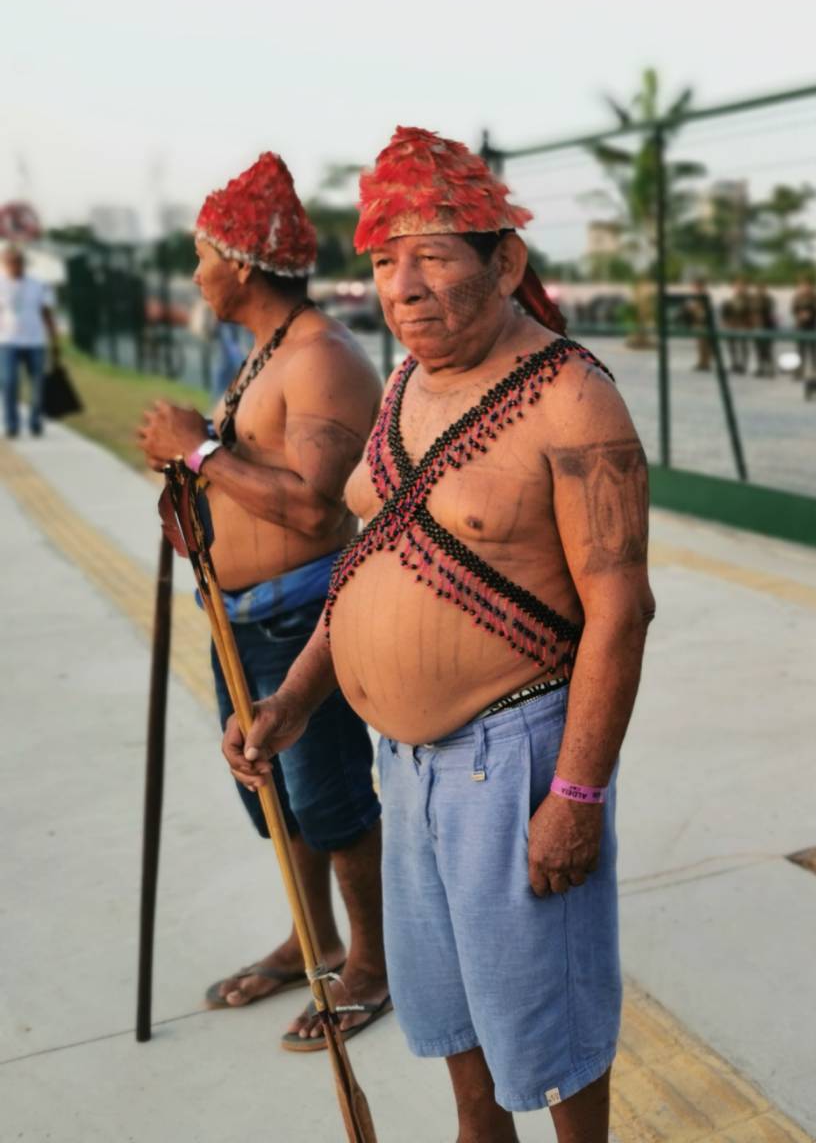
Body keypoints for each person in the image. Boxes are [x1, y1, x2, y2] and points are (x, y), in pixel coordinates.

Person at [225, 127, 653, 1143]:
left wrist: (576, 797)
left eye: (432, 256)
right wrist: (294, 698)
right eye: (382, 261)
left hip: (513, 764)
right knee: (449, 1010)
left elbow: (620, 611)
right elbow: (374, 560)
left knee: (546, 1025)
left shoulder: (575, 398)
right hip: (405, 768)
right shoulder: (408, 381)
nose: (402, 287)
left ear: (504, 262)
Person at [133, 153, 390, 1049]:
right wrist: (194, 451)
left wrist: (200, 455)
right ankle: (311, 937)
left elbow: (318, 507)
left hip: (299, 618)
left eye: (202, 256)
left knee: (329, 800)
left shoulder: (321, 357)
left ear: (239, 264)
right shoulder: (265, 355)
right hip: (238, 619)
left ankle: (370, 964)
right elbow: (259, 472)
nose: (196, 274)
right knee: (271, 794)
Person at [1, 245, 60, 439]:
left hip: (35, 341)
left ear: (23, 264)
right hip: (8, 342)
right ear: (3, 264)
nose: (14, 266)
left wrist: (54, 341)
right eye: (9, 262)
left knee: (37, 384)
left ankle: (35, 421)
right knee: (9, 382)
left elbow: (46, 313)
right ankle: (12, 424)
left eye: (17, 262)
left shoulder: (37, 285)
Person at [791, 275, 816, 379]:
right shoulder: (797, 297)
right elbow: (793, 310)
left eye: (807, 285)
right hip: (800, 326)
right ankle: (799, 370)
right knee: (800, 350)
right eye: (803, 285)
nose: (805, 288)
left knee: (813, 350)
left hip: (812, 326)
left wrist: (811, 313)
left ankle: (815, 371)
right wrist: (800, 315)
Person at [723, 275, 750, 374]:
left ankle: (743, 365)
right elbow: (726, 312)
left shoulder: (748, 299)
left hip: (743, 325)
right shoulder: (731, 299)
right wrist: (726, 322)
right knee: (731, 345)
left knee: (743, 345)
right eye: (737, 286)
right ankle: (734, 363)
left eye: (741, 286)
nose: (739, 288)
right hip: (732, 325)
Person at [687, 276, 713, 372]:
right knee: (700, 344)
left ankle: (705, 363)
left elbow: (702, 308)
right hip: (698, 322)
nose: (694, 287)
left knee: (705, 344)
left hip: (704, 322)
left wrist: (694, 308)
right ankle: (701, 362)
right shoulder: (698, 294)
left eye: (696, 285)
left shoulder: (704, 294)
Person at [753, 280, 777, 378]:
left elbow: (768, 310)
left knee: (767, 349)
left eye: (762, 289)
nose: (760, 291)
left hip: (767, 327)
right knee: (759, 349)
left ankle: (770, 369)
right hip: (756, 327)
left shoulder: (768, 300)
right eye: (759, 289)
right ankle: (761, 367)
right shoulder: (753, 299)